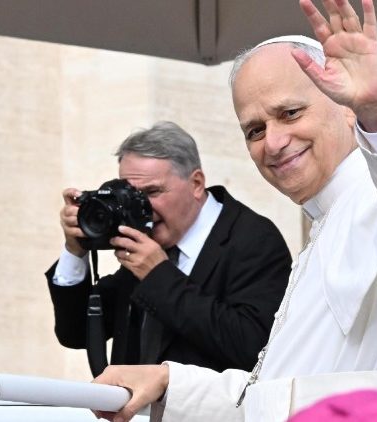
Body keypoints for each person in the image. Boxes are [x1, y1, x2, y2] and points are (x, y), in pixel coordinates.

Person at [93, 1, 377, 421]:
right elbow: (277, 401)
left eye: (290, 113)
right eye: (255, 130)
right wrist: (169, 381)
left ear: (346, 107)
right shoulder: (327, 220)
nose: (273, 143)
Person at [45, 121, 292, 373]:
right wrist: (75, 249)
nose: (141, 207)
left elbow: (253, 348)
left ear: (196, 184)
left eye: (152, 192)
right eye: (131, 195)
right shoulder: (147, 240)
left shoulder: (253, 238)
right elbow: (76, 332)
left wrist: (158, 276)